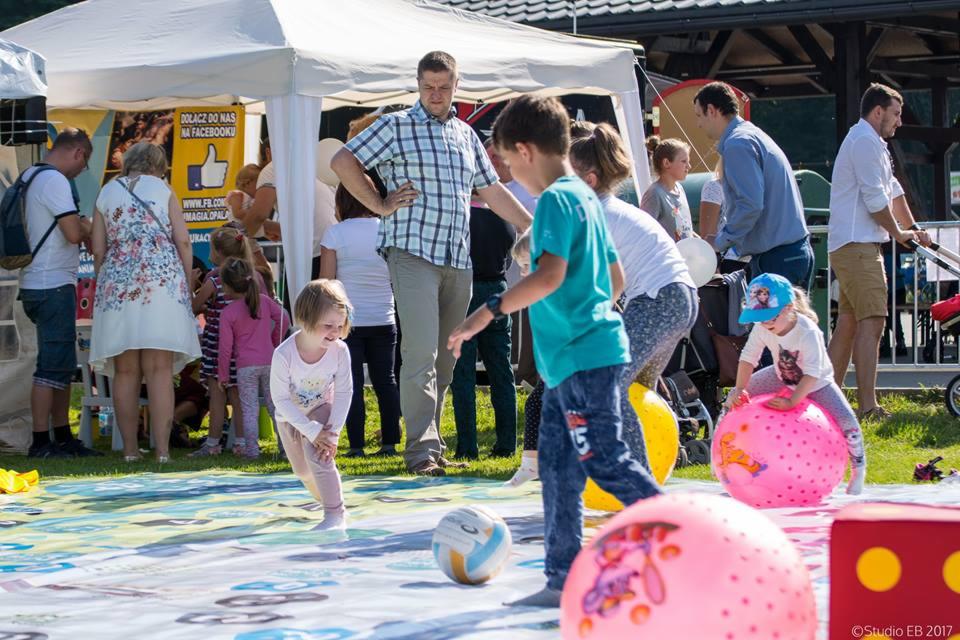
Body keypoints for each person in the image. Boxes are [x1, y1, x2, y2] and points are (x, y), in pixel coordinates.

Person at [448, 95, 661, 608]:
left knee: (605, 460)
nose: (510, 176)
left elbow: (548, 275)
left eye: (507, 164)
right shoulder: (585, 197)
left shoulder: (555, 204)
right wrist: (586, 314)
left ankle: (677, 530)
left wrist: (486, 312)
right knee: (560, 471)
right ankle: (561, 577)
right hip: (573, 358)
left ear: (524, 150)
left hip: (584, 359)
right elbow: (615, 276)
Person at [331, 51, 532, 476]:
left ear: (456, 86)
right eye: (427, 87)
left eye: (443, 87)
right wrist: (379, 204)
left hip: (458, 259)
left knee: (446, 357)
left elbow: (492, 192)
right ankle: (419, 452)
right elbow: (342, 161)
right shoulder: (395, 125)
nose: (435, 94)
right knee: (420, 351)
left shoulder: (466, 135)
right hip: (410, 251)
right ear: (418, 85)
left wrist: (536, 226)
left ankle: (433, 446)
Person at [571, 122, 698, 469]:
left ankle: (638, 477)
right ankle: (667, 460)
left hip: (660, 300)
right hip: (681, 298)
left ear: (590, 180)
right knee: (640, 386)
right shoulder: (615, 209)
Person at [89, 141, 201, 462]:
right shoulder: (164, 190)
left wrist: (107, 278)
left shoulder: (106, 192)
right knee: (159, 370)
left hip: (117, 285)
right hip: (161, 284)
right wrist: (184, 281)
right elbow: (182, 239)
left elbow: (98, 248)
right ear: (158, 165)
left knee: (125, 373)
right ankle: (163, 451)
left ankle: (129, 451)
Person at [826, 83, 930, 421]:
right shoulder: (864, 143)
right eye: (896, 114)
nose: (899, 121)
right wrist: (899, 233)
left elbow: (893, 190)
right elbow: (874, 201)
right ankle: (868, 407)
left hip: (855, 244)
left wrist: (913, 230)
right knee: (873, 321)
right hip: (857, 245)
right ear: (878, 112)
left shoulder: (875, 144)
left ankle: (829, 398)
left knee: (849, 322)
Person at [725, 273, 867, 495]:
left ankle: (859, 469)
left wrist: (793, 401)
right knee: (735, 401)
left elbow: (811, 373)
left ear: (789, 308)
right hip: (779, 374)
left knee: (847, 421)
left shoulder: (807, 331)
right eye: (760, 317)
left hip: (817, 383)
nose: (765, 323)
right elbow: (747, 358)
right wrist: (740, 389)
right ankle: (726, 456)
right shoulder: (762, 327)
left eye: (771, 317)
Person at [20, 128, 98, 459]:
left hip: (39, 282)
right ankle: (41, 442)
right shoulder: (54, 182)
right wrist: (89, 226)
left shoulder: (30, 175)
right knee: (51, 367)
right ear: (78, 153)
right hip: (50, 283)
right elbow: (70, 233)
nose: (82, 172)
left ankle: (62, 437)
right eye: (85, 164)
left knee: (62, 364)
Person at [693, 81, 813, 290]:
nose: (698, 124)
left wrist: (720, 241)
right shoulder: (751, 135)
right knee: (789, 323)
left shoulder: (738, 144)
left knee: (769, 324)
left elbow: (750, 205)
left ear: (711, 110)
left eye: (699, 115)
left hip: (778, 259)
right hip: (788, 254)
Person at [319, 179, 401, 458]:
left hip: (347, 322)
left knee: (349, 384)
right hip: (384, 316)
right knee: (386, 381)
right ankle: (390, 442)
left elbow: (327, 284)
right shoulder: (387, 230)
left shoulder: (334, 234)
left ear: (342, 201)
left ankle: (356, 445)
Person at [270, 279, 353, 531]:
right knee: (304, 473)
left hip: (320, 410)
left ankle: (334, 513)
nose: (334, 332)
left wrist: (332, 433)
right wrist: (309, 429)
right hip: (291, 418)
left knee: (319, 454)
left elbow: (344, 391)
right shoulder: (284, 355)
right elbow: (281, 400)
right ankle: (329, 501)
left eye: (339, 325)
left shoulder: (340, 351)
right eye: (327, 325)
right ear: (305, 319)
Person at [450, 185, 518, 459]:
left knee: (463, 373)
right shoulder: (505, 220)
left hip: (466, 290)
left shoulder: (459, 217)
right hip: (498, 291)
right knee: (501, 371)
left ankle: (467, 445)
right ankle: (507, 443)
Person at [189, 226, 266, 456]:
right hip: (245, 347)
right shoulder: (256, 276)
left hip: (217, 346)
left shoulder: (214, 277)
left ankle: (212, 444)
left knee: (217, 395)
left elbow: (194, 307)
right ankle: (241, 442)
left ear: (218, 253)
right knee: (239, 396)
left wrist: (193, 288)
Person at [217, 257, 286, 458]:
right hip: (270, 362)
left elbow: (225, 347)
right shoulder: (264, 302)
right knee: (277, 408)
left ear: (227, 286)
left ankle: (252, 451)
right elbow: (284, 318)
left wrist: (223, 375)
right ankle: (285, 450)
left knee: (249, 409)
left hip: (245, 366)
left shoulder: (228, 313)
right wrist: (275, 342)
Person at [640, 136, 694, 241]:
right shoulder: (654, 194)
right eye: (684, 161)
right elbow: (643, 232)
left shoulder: (680, 188)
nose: (689, 166)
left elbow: (684, 228)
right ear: (666, 163)